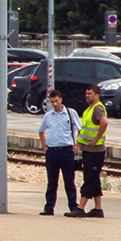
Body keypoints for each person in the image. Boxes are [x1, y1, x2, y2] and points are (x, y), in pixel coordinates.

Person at [38, 89, 84, 217]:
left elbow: (80, 129)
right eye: (52, 102)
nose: (55, 104)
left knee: (69, 181)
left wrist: (76, 145)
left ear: (61, 100)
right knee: (52, 181)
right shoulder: (48, 116)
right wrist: (44, 146)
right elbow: (41, 131)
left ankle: (73, 206)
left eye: (56, 101)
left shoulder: (70, 113)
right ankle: (49, 207)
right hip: (52, 151)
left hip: (66, 151)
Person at [77, 85, 109, 217]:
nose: (87, 96)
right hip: (88, 149)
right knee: (94, 179)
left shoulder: (98, 108)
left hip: (95, 151)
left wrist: (96, 139)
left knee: (89, 178)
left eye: (90, 93)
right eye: (86, 93)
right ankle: (98, 209)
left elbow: (104, 122)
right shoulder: (89, 109)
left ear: (97, 95)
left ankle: (80, 207)